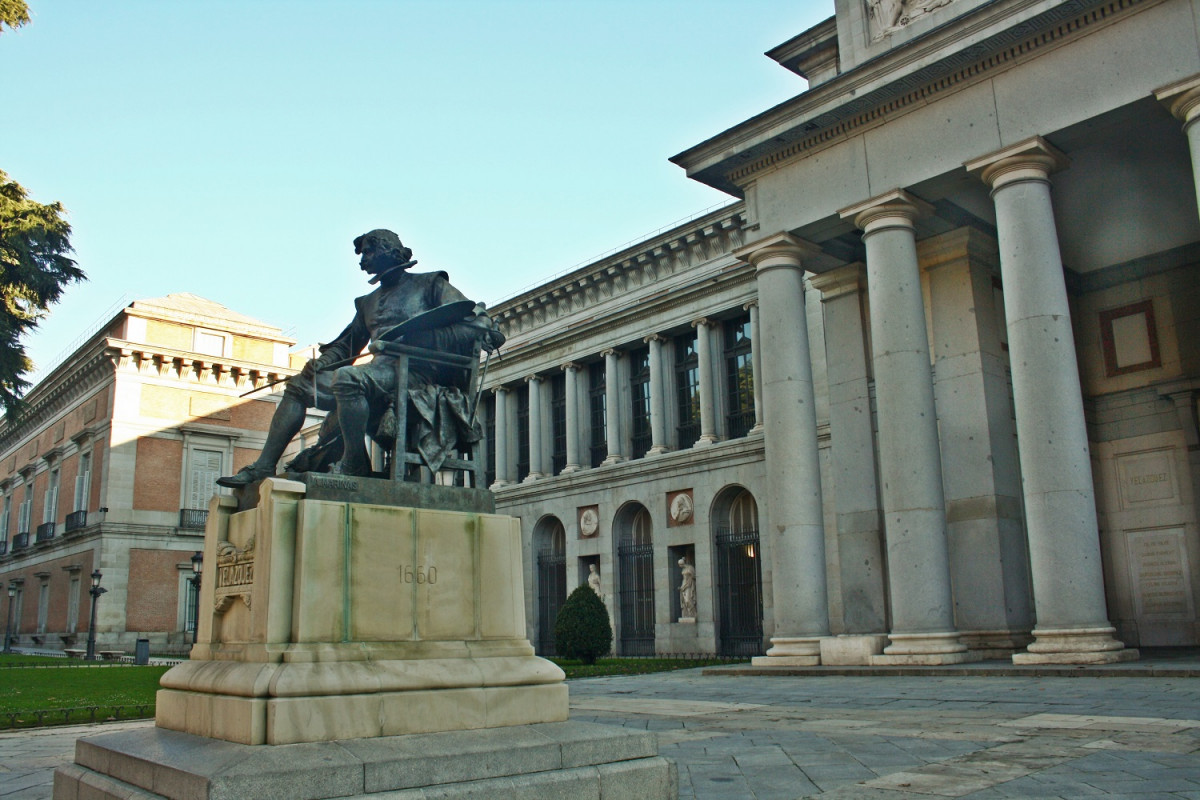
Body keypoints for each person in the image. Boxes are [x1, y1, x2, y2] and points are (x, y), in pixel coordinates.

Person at [217, 229, 503, 487]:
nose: (361, 260)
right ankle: (263, 467)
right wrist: (322, 362)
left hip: (417, 376)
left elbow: (475, 325)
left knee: (348, 379)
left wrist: (420, 339)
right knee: (298, 387)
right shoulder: (367, 302)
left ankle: (355, 462)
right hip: (378, 374)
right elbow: (347, 347)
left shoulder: (431, 284)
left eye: (367, 252)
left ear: (388, 250)